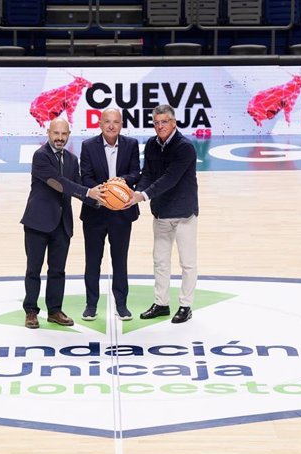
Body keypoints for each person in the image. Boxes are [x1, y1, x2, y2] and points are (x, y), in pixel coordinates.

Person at [20, 118, 107, 329]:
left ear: (69, 135)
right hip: (38, 222)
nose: (59, 138)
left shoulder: (71, 159)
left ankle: (54, 311)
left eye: (64, 134)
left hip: (62, 223)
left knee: (58, 270)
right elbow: (58, 183)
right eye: (56, 134)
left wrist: (101, 199)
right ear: (48, 132)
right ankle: (31, 311)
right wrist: (88, 192)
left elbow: (76, 185)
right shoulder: (40, 156)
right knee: (34, 269)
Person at [124, 104, 198, 324]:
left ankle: (186, 305)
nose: (160, 126)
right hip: (162, 213)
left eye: (164, 122)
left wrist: (143, 196)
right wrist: (136, 192)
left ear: (173, 123)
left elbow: (170, 178)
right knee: (160, 261)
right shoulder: (152, 145)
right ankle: (162, 303)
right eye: (156, 123)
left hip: (184, 214)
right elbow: (148, 174)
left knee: (187, 262)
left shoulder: (185, 148)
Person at [79, 108, 141, 321]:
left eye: (115, 122)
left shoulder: (131, 145)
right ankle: (91, 305)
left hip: (122, 212)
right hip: (95, 212)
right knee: (93, 260)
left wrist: (118, 184)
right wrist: (106, 190)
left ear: (121, 124)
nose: (111, 125)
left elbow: (135, 173)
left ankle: (121, 305)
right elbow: (85, 177)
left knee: (120, 260)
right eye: (107, 121)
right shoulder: (88, 146)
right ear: (100, 124)